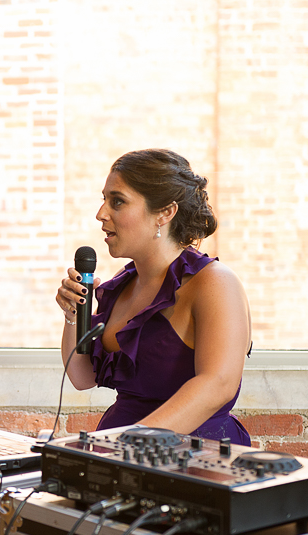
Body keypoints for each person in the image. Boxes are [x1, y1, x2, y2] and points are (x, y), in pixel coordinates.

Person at [55, 149, 252, 445]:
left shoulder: (213, 282)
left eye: (117, 201)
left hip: (193, 457)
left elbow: (219, 385)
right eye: (104, 200)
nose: (101, 214)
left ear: (165, 212)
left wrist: (128, 444)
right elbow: (82, 378)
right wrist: (73, 317)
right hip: (118, 452)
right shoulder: (120, 287)